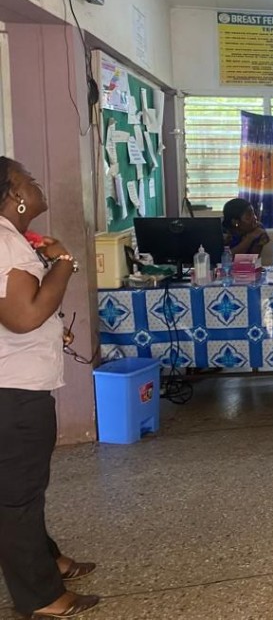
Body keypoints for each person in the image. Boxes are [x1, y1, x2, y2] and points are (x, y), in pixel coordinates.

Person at [0, 157, 99, 619]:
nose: (37, 185)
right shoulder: (6, 243)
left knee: (19, 487)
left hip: (13, 382)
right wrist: (63, 262)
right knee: (18, 496)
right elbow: (23, 317)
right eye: (29, 181)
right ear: (14, 194)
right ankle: (42, 597)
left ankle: (49, 559)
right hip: (14, 391)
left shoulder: (12, 240)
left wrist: (51, 328)